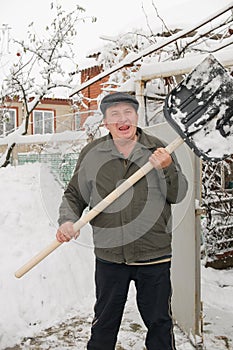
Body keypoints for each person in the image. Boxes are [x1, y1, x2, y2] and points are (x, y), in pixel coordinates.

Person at [56, 92, 188, 350]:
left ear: (137, 117)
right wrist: (67, 220)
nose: (122, 119)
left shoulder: (159, 149)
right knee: (104, 324)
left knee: (160, 325)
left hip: (154, 254)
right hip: (110, 255)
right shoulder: (92, 153)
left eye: (128, 112)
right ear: (105, 122)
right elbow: (75, 194)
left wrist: (167, 167)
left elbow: (178, 193)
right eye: (114, 114)